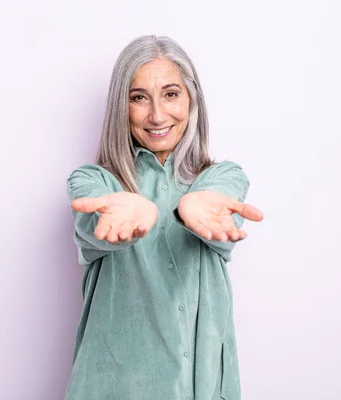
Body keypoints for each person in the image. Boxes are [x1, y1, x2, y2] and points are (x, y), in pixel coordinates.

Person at [65, 35, 263, 400]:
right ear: (120, 107)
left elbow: (221, 218)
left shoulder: (222, 179)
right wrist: (125, 219)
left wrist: (192, 208)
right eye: (139, 97)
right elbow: (93, 223)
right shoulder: (94, 182)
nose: (157, 115)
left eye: (171, 94)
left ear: (192, 100)